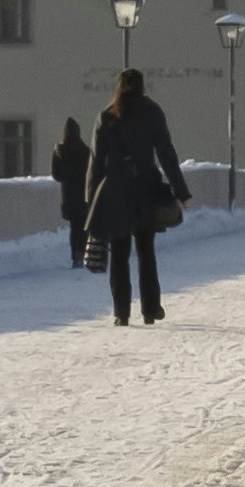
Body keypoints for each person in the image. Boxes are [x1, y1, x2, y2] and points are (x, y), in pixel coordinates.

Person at [84, 66, 187, 327]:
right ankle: (150, 309)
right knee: (146, 251)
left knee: (119, 252)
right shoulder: (153, 113)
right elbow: (166, 154)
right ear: (142, 87)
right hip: (146, 190)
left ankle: (121, 312)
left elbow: (95, 161)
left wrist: (91, 197)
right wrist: (181, 191)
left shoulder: (106, 116)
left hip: (116, 192)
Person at [51, 117, 90, 265]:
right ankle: (84, 252)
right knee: (84, 225)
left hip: (68, 194)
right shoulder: (85, 150)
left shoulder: (59, 150)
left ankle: (76, 255)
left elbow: (56, 174)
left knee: (74, 227)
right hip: (84, 193)